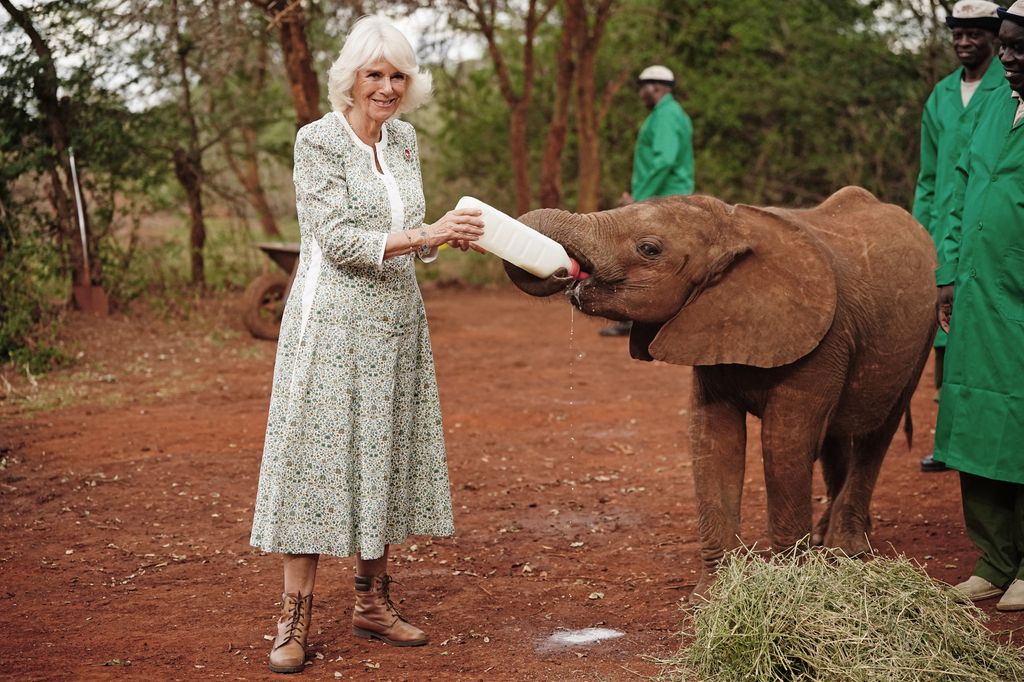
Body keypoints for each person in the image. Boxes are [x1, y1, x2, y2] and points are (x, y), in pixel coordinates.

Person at [249, 16, 485, 674]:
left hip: (396, 321)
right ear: (350, 78)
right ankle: (293, 616)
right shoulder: (317, 140)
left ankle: (371, 601)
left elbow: (410, 227)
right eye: (374, 74)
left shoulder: (404, 140)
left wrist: (444, 234)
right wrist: (426, 233)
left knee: (383, 452)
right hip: (331, 324)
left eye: (397, 76)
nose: (386, 87)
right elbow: (337, 238)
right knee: (316, 460)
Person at [935, 0, 1024, 612]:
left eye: (1019, 48)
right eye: (1009, 46)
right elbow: (958, 182)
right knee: (974, 418)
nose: (1009, 59)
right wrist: (946, 271)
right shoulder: (995, 103)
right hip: (978, 291)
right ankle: (994, 559)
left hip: (1017, 295)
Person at [913, 0, 1004, 473]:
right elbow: (928, 178)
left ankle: (987, 444)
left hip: (988, 234)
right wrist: (919, 238)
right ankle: (948, 445)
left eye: (975, 33)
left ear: (995, 36)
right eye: (958, 33)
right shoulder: (942, 96)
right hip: (943, 236)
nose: (964, 41)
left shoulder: (1007, 90)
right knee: (946, 345)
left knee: (986, 340)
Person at [600, 64, 694, 337]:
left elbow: (664, 160)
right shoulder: (668, 114)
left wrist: (640, 200)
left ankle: (635, 319)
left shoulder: (666, 115)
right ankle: (647, 319)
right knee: (656, 259)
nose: (640, 92)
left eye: (643, 86)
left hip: (663, 197)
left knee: (638, 256)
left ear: (656, 86)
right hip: (663, 195)